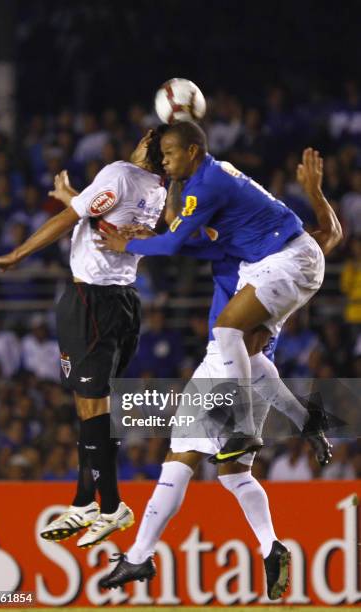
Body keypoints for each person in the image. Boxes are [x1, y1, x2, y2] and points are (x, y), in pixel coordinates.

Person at [98, 147, 342, 599]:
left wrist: (138, 222)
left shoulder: (231, 245)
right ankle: (270, 546)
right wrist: (315, 193)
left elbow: (175, 230)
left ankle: (137, 557)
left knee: (179, 461)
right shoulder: (275, 247)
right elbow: (330, 233)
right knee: (233, 475)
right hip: (250, 364)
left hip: (223, 362)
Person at [100, 122, 334, 463]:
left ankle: (243, 429)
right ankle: (306, 420)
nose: (164, 161)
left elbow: (174, 242)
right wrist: (153, 241)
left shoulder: (206, 188)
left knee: (226, 330)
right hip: (279, 264)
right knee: (249, 357)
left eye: (169, 153)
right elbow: (192, 246)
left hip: (287, 260)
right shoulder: (218, 197)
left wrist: (129, 244)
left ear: (191, 151)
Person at [0, 130, 167, 549]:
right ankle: (85, 501)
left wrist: (16, 255)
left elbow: (71, 220)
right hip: (123, 300)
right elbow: (101, 216)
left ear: (147, 145)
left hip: (92, 300)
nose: (136, 139)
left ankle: (112, 504)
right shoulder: (156, 189)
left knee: (91, 406)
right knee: (94, 408)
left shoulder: (120, 172)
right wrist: (73, 196)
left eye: (144, 136)